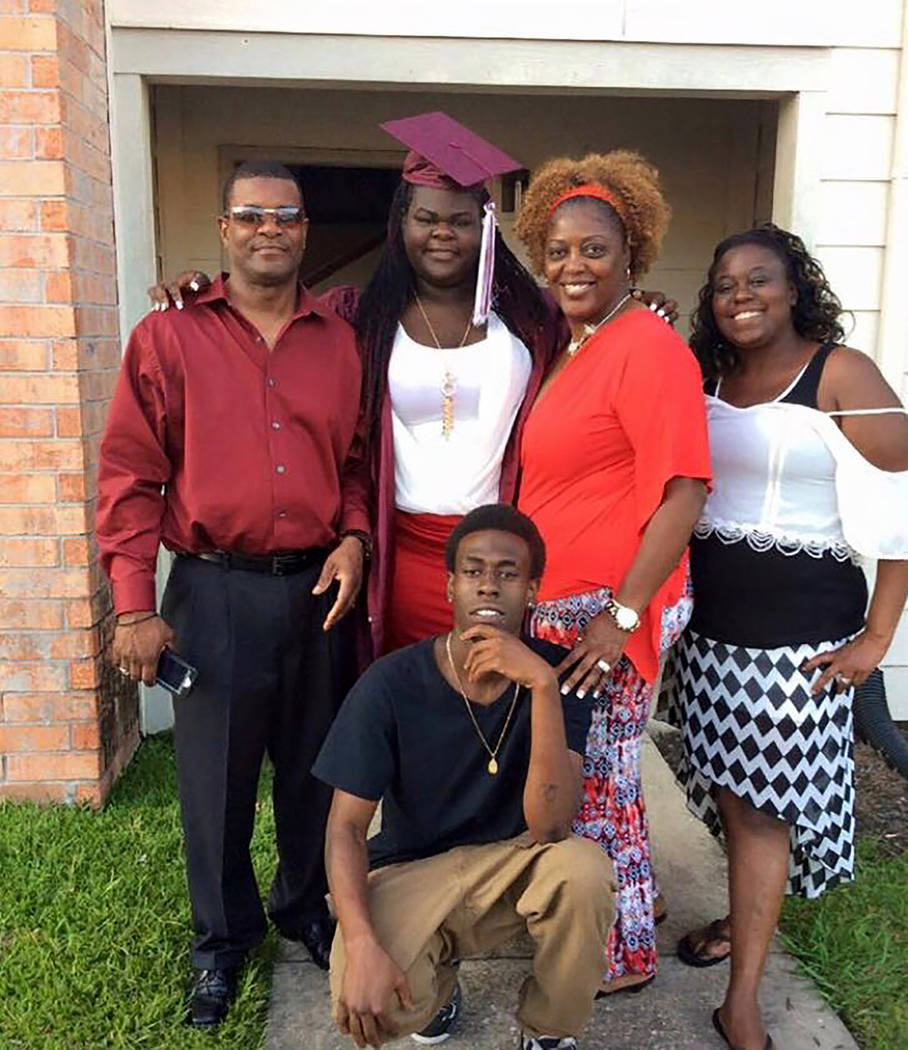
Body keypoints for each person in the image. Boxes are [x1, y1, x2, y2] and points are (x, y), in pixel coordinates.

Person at [147, 114, 678, 660]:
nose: (443, 232)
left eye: (461, 220)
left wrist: (641, 301)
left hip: (495, 556)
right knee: (404, 696)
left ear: (486, 227)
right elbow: (274, 318)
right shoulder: (356, 317)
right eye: (426, 218)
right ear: (401, 223)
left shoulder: (533, 318)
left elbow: (602, 321)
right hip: (395, 555)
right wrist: (202, 291)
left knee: (490, 702)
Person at [97, 160, 370, 1027]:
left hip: (318, 592)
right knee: (214, 783)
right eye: (250, 215)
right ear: (224, 230)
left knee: (314, 770)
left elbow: (357, 464)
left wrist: (356, 538)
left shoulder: (340, 340)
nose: (269, 230)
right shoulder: (168, 336)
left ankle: (304, 907)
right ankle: (220, 945)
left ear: (304, 231)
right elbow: (131, 477)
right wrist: (135, 605)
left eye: (285, 217)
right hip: (213, 594)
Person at [667, 224, 908, 1050]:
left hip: (796, 644)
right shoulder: (711, 373)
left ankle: (742, 1003)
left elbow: (902, 495)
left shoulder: (838, 372)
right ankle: (744, 920)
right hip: (711, 635)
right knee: (734, 799)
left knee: (765, 812)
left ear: (795, 287)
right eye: (726, 283)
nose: (741, 295)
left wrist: (879, 637)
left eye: (759, 280)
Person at [513, 151, 712, 994]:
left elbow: (684, 491)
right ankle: (639, 902)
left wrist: (622, 617)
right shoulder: (577, 346)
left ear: (631, 253)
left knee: (600, 780)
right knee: (602, 773)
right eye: (557, 250)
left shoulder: (649, 346)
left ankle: (622, 954)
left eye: (593, 249)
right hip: (572, 601)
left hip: (614, 604)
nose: (572, 265)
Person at [312, 503, 615, 1050]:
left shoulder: (556, 675)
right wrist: (359, 943)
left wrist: (542, 688)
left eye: (508, 574)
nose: (489, 587)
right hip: (414, 871)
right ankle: (438, 987)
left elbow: (551, 828)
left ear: (532, 589)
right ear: (450, 586)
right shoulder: (391, 683)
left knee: (584, 870)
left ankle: (548, 1030)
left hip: (515, 867)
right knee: (367, 1008)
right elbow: (345, 829)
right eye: (473, 572)